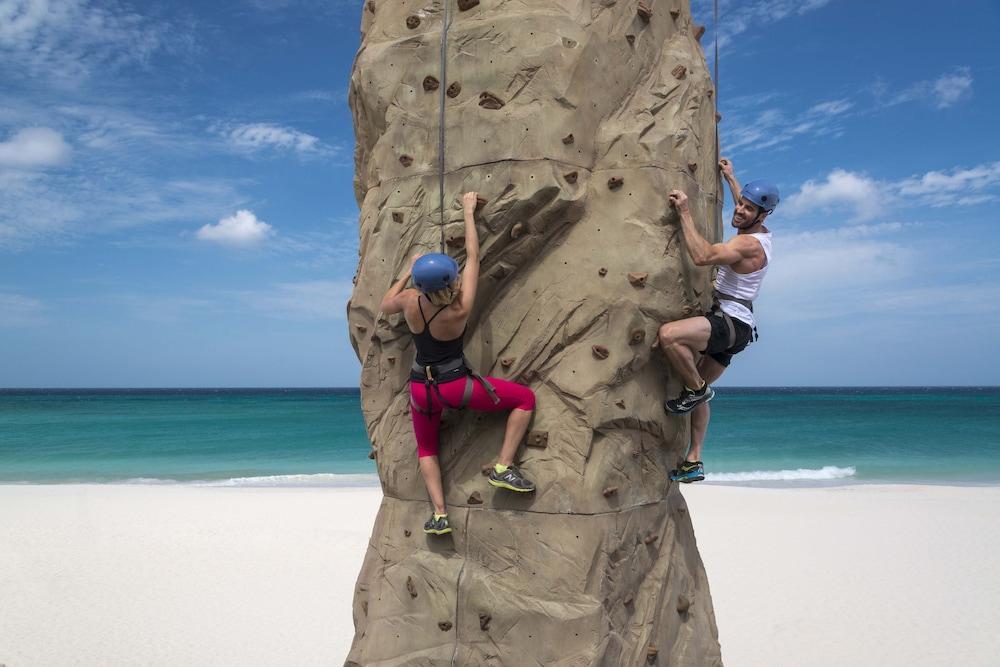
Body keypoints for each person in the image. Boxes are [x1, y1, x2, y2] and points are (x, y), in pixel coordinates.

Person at [379, 191, 537, 535]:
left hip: (422, 390)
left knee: (426, 448)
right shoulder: (459, 308)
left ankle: (439, 515)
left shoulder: (409, 302)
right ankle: (503, 466)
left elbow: (384, 303)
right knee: (525, 399)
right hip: (456, 387)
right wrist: (468, 212)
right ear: (451, 281)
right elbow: (473, 255)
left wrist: (408, 272)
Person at [656, 158, 778, 483]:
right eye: (741, 204)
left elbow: (702, 257)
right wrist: (731, 178)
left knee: (669, 336)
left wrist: (683, 213)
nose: (740, 210)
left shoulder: (747, 245)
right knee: (701, 385)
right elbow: (745, 204)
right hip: (741, 327)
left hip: (729, 322)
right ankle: (694, 460)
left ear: (762, 216)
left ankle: (695, 391)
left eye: (748, 209)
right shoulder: (761, 231)